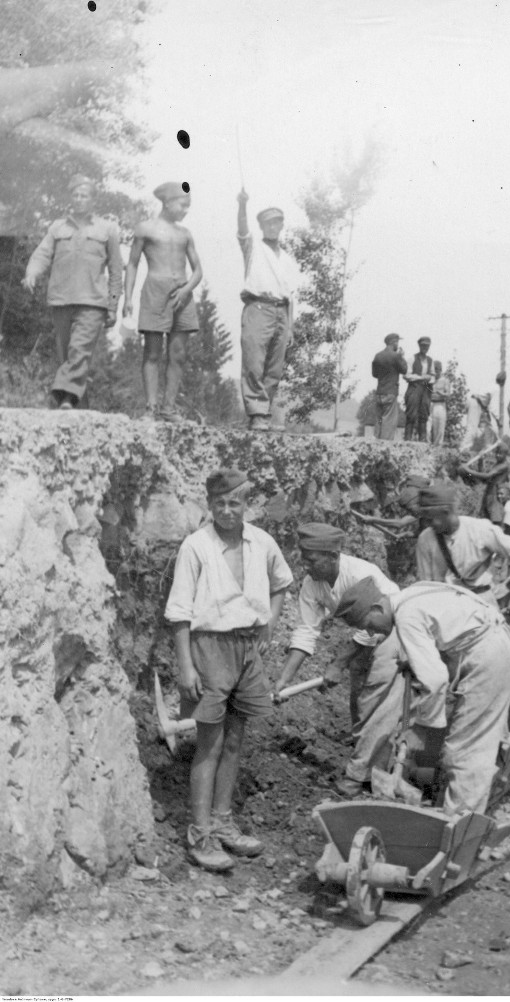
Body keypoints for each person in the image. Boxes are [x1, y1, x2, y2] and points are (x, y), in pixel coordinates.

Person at [164, 469, 294, 871]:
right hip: (210, 647)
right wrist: (186, 665)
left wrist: (269, 625)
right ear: (210, 505)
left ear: (246, 504)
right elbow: (180, 612)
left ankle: (222, 824)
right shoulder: (196, 547)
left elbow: (281, 583)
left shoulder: (262, 542)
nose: (226, 511)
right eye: (218, 503)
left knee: (236, 739)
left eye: (234, 503)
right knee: (210, 743)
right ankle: (200, 833)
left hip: (247, 647)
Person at [334, 577, 510, 815]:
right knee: (465, 737)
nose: (371, 632)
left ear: (378, 608)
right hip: (491, 645)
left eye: (368, 624)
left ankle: (460, 826)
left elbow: (435, 680)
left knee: (465, 750)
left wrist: (420, 728)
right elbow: (444, 630)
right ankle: (453, 803)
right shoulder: (411, 594)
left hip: (488, 656)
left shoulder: (406, 616)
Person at [275, 523, 405, 797]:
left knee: (377, 700)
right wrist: (284, 680)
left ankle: (362, 775)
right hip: (366, 634)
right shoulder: (312, 585)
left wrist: (337, 664)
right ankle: (368, 751)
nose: (305, 565)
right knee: (360, 695)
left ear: (333, 555)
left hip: (395, 632)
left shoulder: (360, 574)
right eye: (304, 557)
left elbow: (373, 623)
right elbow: (306, 631)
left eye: (311, 559)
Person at [22, 173, 122, 410]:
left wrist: (113, 305)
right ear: (71, 198)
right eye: (75, 195)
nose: (79, 199)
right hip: (61, 299)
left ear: (93, 200)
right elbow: (42, 254)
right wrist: (31, 273)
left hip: (93, 302)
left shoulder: (107, 229)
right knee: (67, 355)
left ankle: (62, 397)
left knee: (79, 351)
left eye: (84, 195)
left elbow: (116, 271)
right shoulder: (57, 227)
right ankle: (79, 407)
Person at [124, 181, 203, 422]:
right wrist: (127, 297)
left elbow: (198, 270)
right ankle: (151, 408)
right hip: (155, 291)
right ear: (167, 202)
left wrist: (186, 289)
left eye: (188, 206)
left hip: (182, 293)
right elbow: (133, 263)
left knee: (178, 353)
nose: (185, 210)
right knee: (153, 351)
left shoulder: (185, 234)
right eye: (182, 204)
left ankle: (168, 408)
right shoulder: (145, 229)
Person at [236, 190, 298, 432]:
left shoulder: (288, 259)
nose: (272, 227)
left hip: (281, 311)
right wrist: (242, 206)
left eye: (276, 222)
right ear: (261, 226)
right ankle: (256, 413)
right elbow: (242, 230)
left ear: (282, 225)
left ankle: (265, 412)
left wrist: (291, 325)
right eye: (267, 223)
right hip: (258, 306)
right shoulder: (253, 247)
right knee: (254, 362)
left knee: (274, 367)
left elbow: (292, 295)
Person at [415, 483, 510, 612]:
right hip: (446, 608)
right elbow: (427, 585)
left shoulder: (478, 529)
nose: (427, 525)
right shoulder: (425, 539)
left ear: (446, 512)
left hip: (481, 603)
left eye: (431, 520)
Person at [461, 441, 510, 524]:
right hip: (489, 493)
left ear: (506, 455)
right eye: (497, 453)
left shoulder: (503, 466)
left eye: (500, 454)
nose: (498, 455)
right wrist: (480, 461)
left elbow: (487, 475)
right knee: (486, 518)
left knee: (495, 519)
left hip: (495, 495)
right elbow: (483, 478)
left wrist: (467, 470)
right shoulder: (497, 464)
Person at [371, 332, 407, 440]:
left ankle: (376, 443)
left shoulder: (378, 356)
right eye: (397, 342)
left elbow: (374, 374)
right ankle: (385, 447)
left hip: (379, 393)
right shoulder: (396, 356)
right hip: (390, 392)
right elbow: (404, 370)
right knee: (389, 422)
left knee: (379, 421)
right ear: (394, 342)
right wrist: (402, 357)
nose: (398, 345)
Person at [403, 336, 435, 441]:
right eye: (423, 345)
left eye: (427, 346)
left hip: (426, 389)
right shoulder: (412, 359)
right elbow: (406, 375)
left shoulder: (430, 361)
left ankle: (423, 440)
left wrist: (428, 378)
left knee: (424, 414)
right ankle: (407, 440)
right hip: (414, 388)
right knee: (411, 414)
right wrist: (420, 377)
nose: (425, 348)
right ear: (419, 346)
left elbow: (433, 376)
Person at [429, 361, 450, 446]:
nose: (436, 372)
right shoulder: (431, 381)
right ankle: (430, 446)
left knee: (440, 428)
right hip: (431, 404)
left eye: (437, 370)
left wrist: (441, 393)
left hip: (440, 404)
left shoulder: (445, 380)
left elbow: (448, 394)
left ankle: (438, 447)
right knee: (431, 427)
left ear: (440, 370)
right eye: (434, 370)